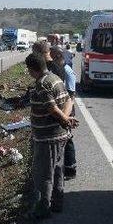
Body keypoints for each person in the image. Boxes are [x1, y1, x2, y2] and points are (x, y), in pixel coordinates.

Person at [26, 52, 78, 218]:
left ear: (32, 69)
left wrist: (65, 119)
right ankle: (57, 203)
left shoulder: (42, 84)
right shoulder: (55, 78)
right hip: (60, 135)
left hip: (48, 137)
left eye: (28, 70)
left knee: (43, 173)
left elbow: (52, 108)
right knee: (57, 170)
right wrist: (66, 120)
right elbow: (70, 100)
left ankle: (44, 208)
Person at [51, 46, 77, 179]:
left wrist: (66, 116)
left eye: (52, 56)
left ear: (57, 57)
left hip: (68, 108)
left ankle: (71, 168)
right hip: (62, 107)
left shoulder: (67, 71)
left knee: (67, 137)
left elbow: (71, 95)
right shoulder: (57, 70)